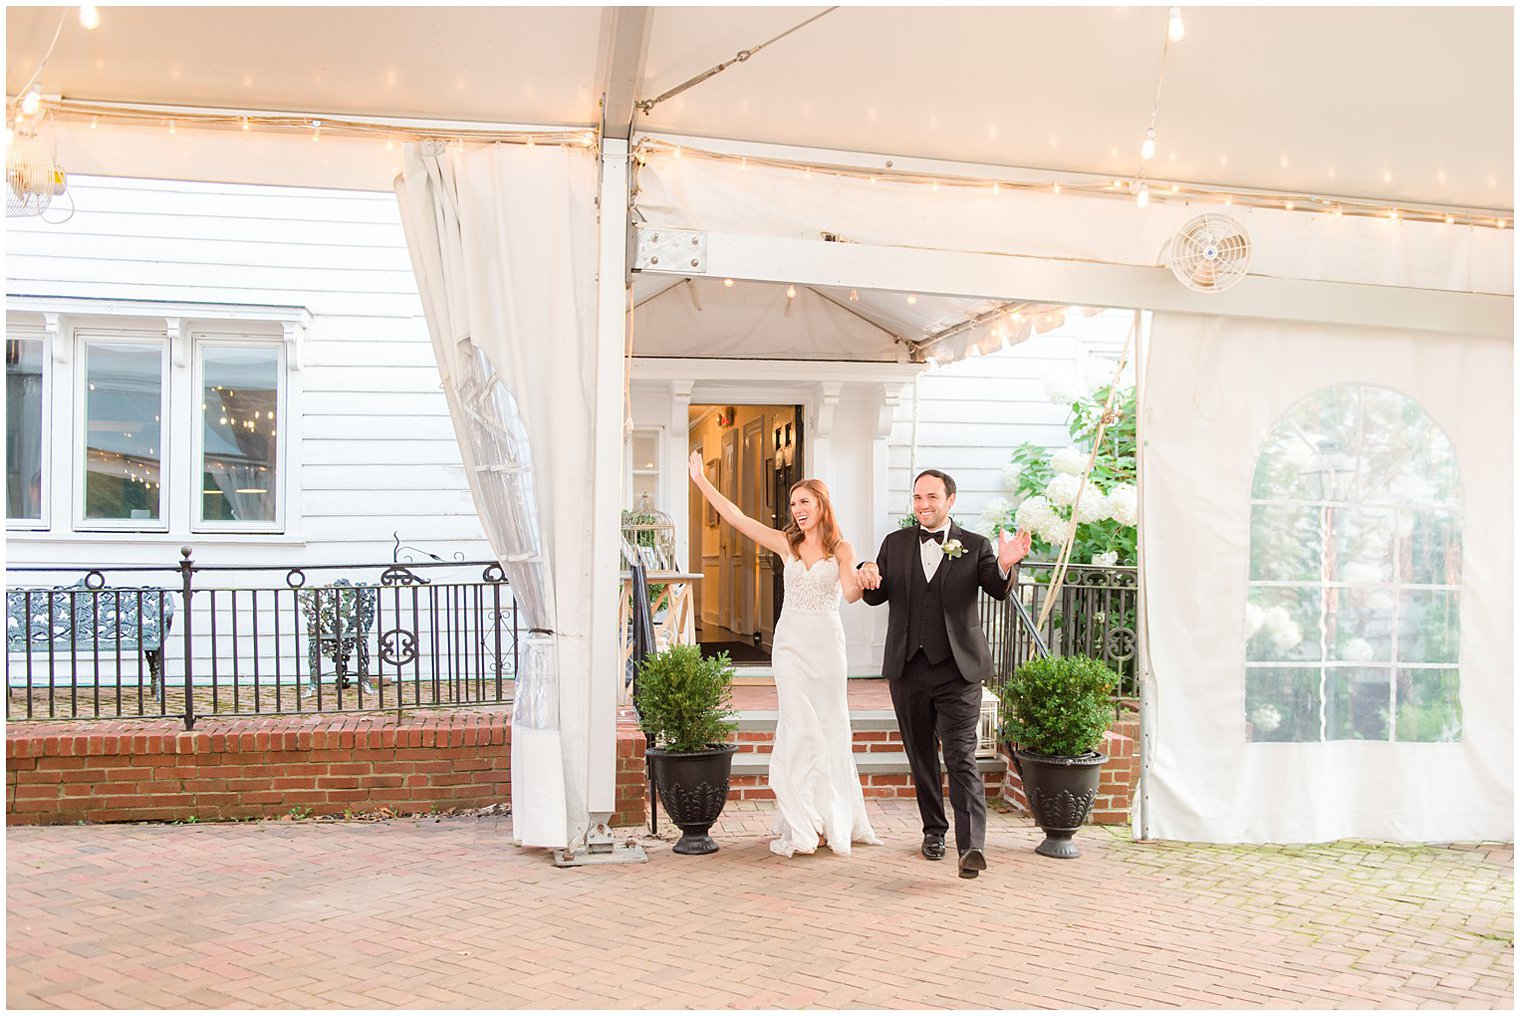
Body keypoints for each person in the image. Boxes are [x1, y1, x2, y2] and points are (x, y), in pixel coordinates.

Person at [688, 451, 882, 858]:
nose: (797, 510)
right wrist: (703, 483)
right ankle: (802, 820)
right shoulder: (785, 544)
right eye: (793, 504)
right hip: (790, 645)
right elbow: (738, 517)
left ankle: (828, 817)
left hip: (827, 648)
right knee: (798, 727)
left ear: (822, 505)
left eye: (804, 502)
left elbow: (849, 594)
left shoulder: (841, 548)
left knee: (829, 728)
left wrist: (865, 576)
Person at [858, 469, 1031, 880]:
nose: (923, 505)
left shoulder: (975, 545)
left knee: (960, 757)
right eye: (917, 497)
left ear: (950, 500)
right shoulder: (895, 543)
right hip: (908, 668)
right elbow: (876, 593)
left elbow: (994, 585)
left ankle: (970, 847)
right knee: (921, 757)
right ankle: (934, 830)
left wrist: (1006, 566)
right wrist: (867, 572)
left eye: (932, 497)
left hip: (959, 671)